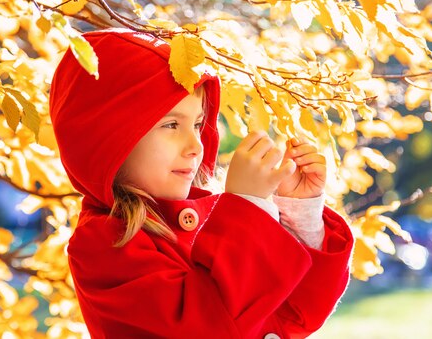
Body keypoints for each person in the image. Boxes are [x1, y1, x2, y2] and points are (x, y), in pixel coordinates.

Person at [49, 28, 354, 339]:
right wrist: (249, 208)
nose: (195, 145)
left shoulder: (209, 217)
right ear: (108, 140)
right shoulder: (105, 243)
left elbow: (294, 316)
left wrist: (297, 215)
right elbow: (206, 327)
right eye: (170, 125)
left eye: (197, 124)